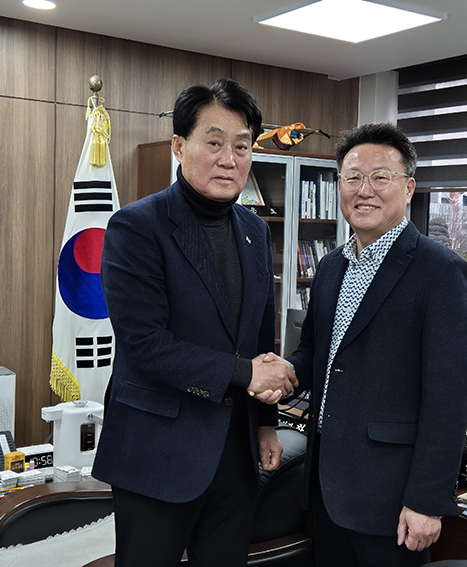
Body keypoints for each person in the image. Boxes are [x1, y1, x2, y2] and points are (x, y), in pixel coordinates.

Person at [92, 78, 298, 567]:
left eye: (242, 146)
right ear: (179, 146)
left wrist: (266, 424)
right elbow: (146, 344)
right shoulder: (136, 226)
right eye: (214, 142)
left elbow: (260, 335)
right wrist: (248, 374)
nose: (229, 159)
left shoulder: (254, 231)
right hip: (157, 450)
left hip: (235, 450)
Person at [273, 122, 467, 566]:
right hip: (327, 486)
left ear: (408, 188)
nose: (364, 190)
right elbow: (315, 352)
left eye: (380, 177)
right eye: (352, 177)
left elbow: (449, 399)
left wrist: (427, 500)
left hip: (392, 497)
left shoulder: (442, 273)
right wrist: (282, 372)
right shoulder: (331, 267)